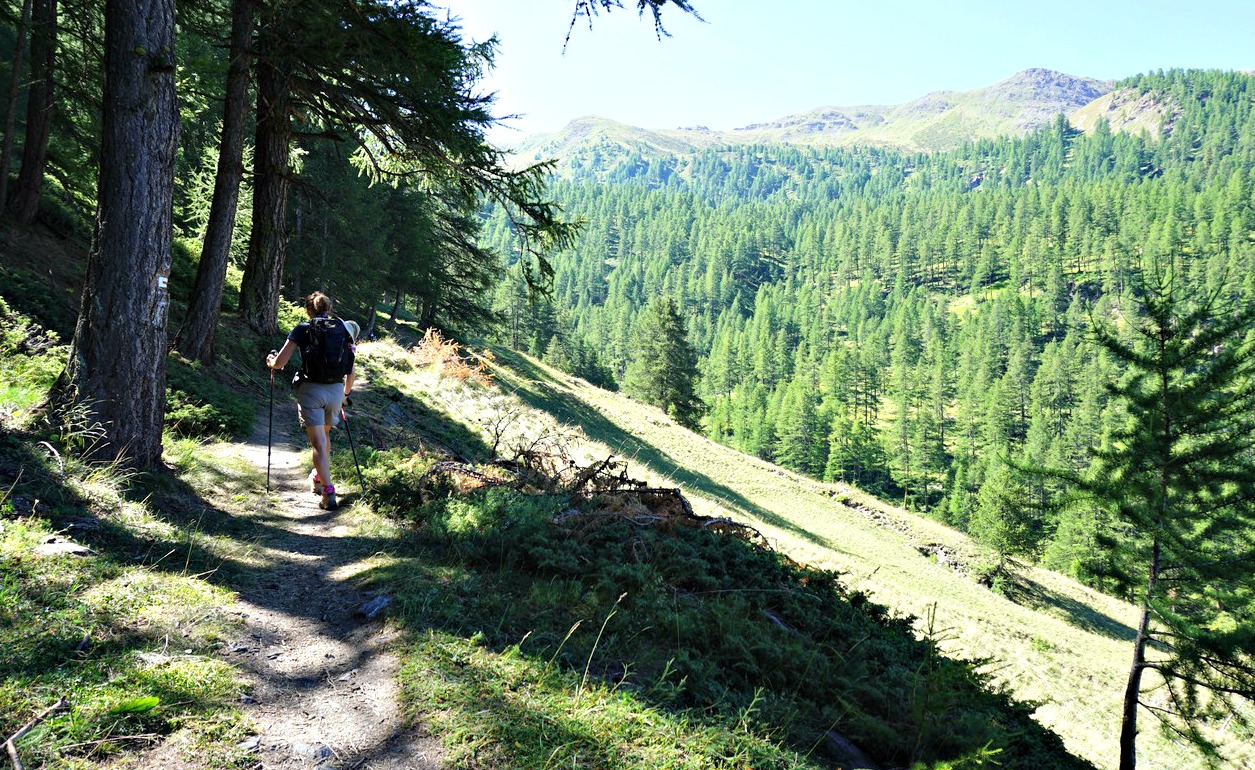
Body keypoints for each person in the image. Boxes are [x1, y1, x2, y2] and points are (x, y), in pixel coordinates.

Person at [266, 292, 356, 510]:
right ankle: (318, 478)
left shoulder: (302, 329)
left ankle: (328, 491)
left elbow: (280, 363)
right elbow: (351, 369)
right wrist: (345, 394)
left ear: (309, 310)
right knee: (325, 436)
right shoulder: (344, 329)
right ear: (329, 308)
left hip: (311, 390)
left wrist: (271, 362)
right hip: (335, 390)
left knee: (318, 443)